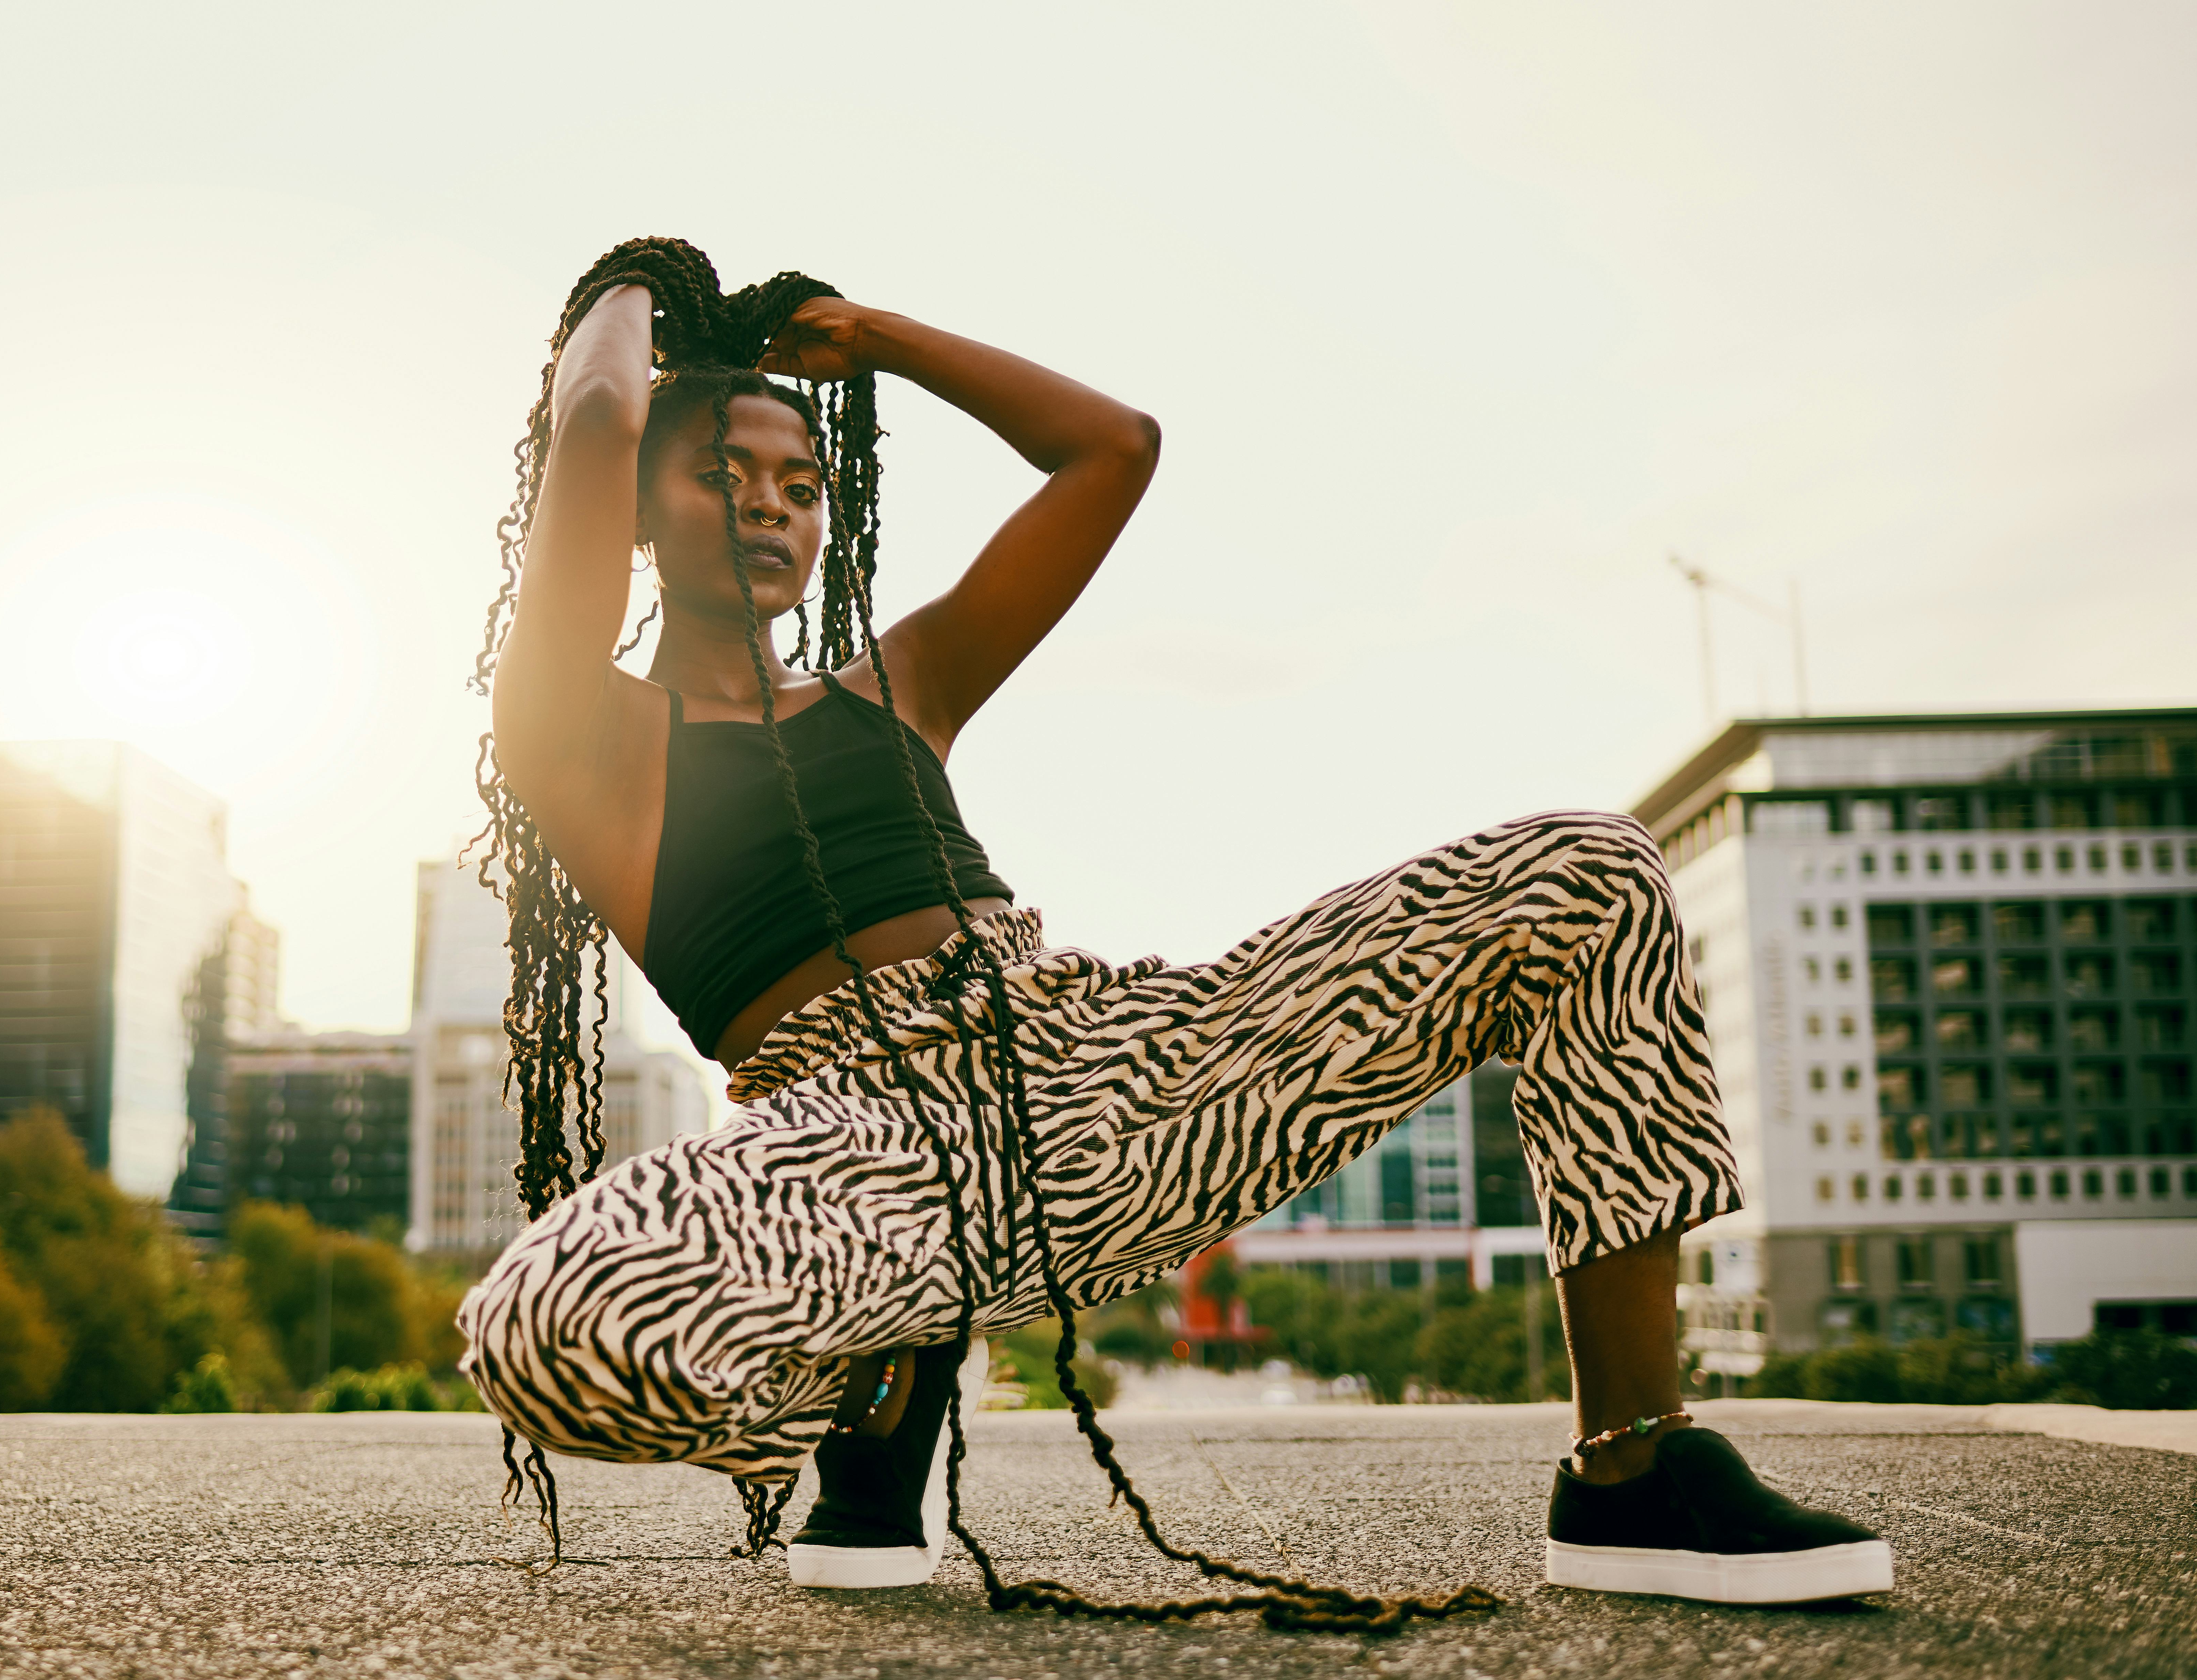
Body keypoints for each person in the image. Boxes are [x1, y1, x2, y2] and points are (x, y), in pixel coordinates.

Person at [456, 237, 1891, 1624]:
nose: (770, 505)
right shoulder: (580, 737)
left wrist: (871, 339)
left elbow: (1112, 450)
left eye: (800, 480)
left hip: (1102, 1074)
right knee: (550, 1325)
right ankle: (874, 1379)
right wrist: (646, 285)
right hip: (856, 1146)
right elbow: (591, 418)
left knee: (1586, 872)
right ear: (637, 510)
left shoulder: (900, 684)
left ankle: (1633, 1464)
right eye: (718, 474)